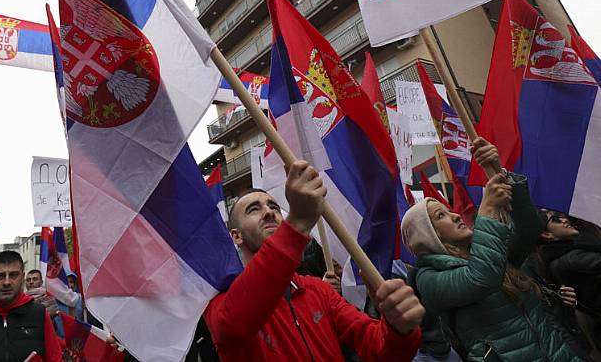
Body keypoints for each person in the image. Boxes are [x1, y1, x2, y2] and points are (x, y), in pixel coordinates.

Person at [204, 160, 425, 361]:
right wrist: (298, 222)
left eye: (274, 207)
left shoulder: (317, 290)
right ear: (236, 236)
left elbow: (378, 348)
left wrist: (398, 328)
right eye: (254, 209)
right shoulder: (221, 301)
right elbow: (233, 327)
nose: (269, 213)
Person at [402, 137, 587, 361]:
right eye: (440, 216)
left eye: (448, 210)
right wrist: (487, 211)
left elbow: (529, 230)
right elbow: (481, 278)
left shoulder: (490, 248)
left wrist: (498, 173)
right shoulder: (428, 278)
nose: (455, 215)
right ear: (429, 236)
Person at [536, 209, 601, 357]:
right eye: (555, 220)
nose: (564, 220)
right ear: (547, 235)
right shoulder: (570, 259)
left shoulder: (574, 247)